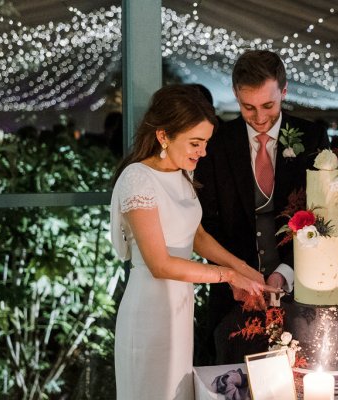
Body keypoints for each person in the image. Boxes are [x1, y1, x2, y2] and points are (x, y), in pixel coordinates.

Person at [109, 85, 274, 399]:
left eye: (206, 142)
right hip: (149, 312)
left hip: (180, 310)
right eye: (195, 143)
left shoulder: (181, 173)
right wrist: (227, 276)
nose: (203, 152)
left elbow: (196, 235)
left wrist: (244, 269)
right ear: (163, 136)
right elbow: (159, 264)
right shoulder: (137, 178)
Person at [194, 50, 330, 364]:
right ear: (235, 95)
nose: (259, 117)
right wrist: (235, 277)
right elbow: (206, 223)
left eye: (268, 105)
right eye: (248, 107)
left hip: (301, 289)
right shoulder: (216, 142)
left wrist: (284, 272)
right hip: (233, 298)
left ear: (283, 91)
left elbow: (323, 218)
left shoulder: (311, 138)